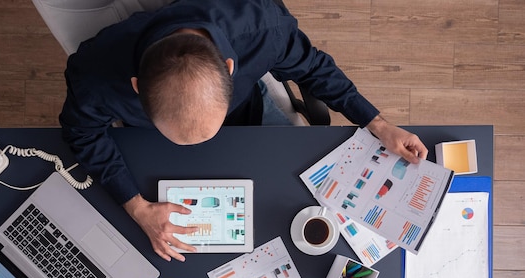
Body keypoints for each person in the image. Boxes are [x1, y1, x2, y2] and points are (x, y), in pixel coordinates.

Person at [60, 0, 428, 262]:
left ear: (230, 67)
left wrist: (377, 124)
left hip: (251, 115)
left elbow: (314, 69)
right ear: (137, 87)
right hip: (152, 147)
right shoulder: (95, 74)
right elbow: (82, 132)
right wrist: (137, 207)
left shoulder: (262, 28)